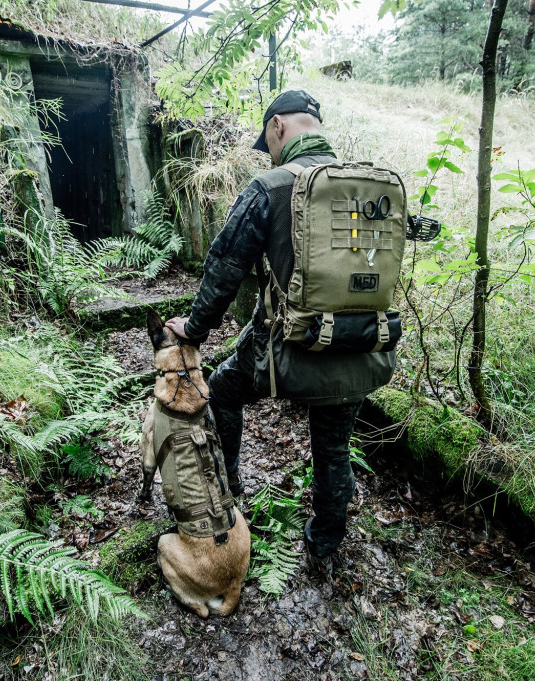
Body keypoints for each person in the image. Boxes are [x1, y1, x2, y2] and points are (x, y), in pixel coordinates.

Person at [165, 90, 396, 575]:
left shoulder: (270, 186)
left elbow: (226, 267)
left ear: (277, 128)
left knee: (224, 391)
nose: (268, 151)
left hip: (289, 351)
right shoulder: (369, 184)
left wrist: (195, 328)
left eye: (266, 141)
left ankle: (229, 498)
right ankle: (325, 543)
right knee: (333, 447)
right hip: (361, 346)